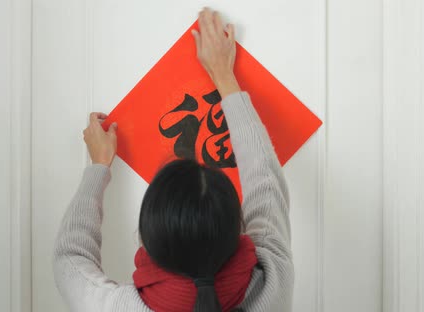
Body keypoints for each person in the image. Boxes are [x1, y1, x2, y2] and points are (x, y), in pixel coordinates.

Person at [53, 8, 294, 312]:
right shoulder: (272, 283)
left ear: (144, 239)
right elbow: (266, 183)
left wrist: (98, 167)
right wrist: (224, 75)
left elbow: (70, 259)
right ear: (239, 230)